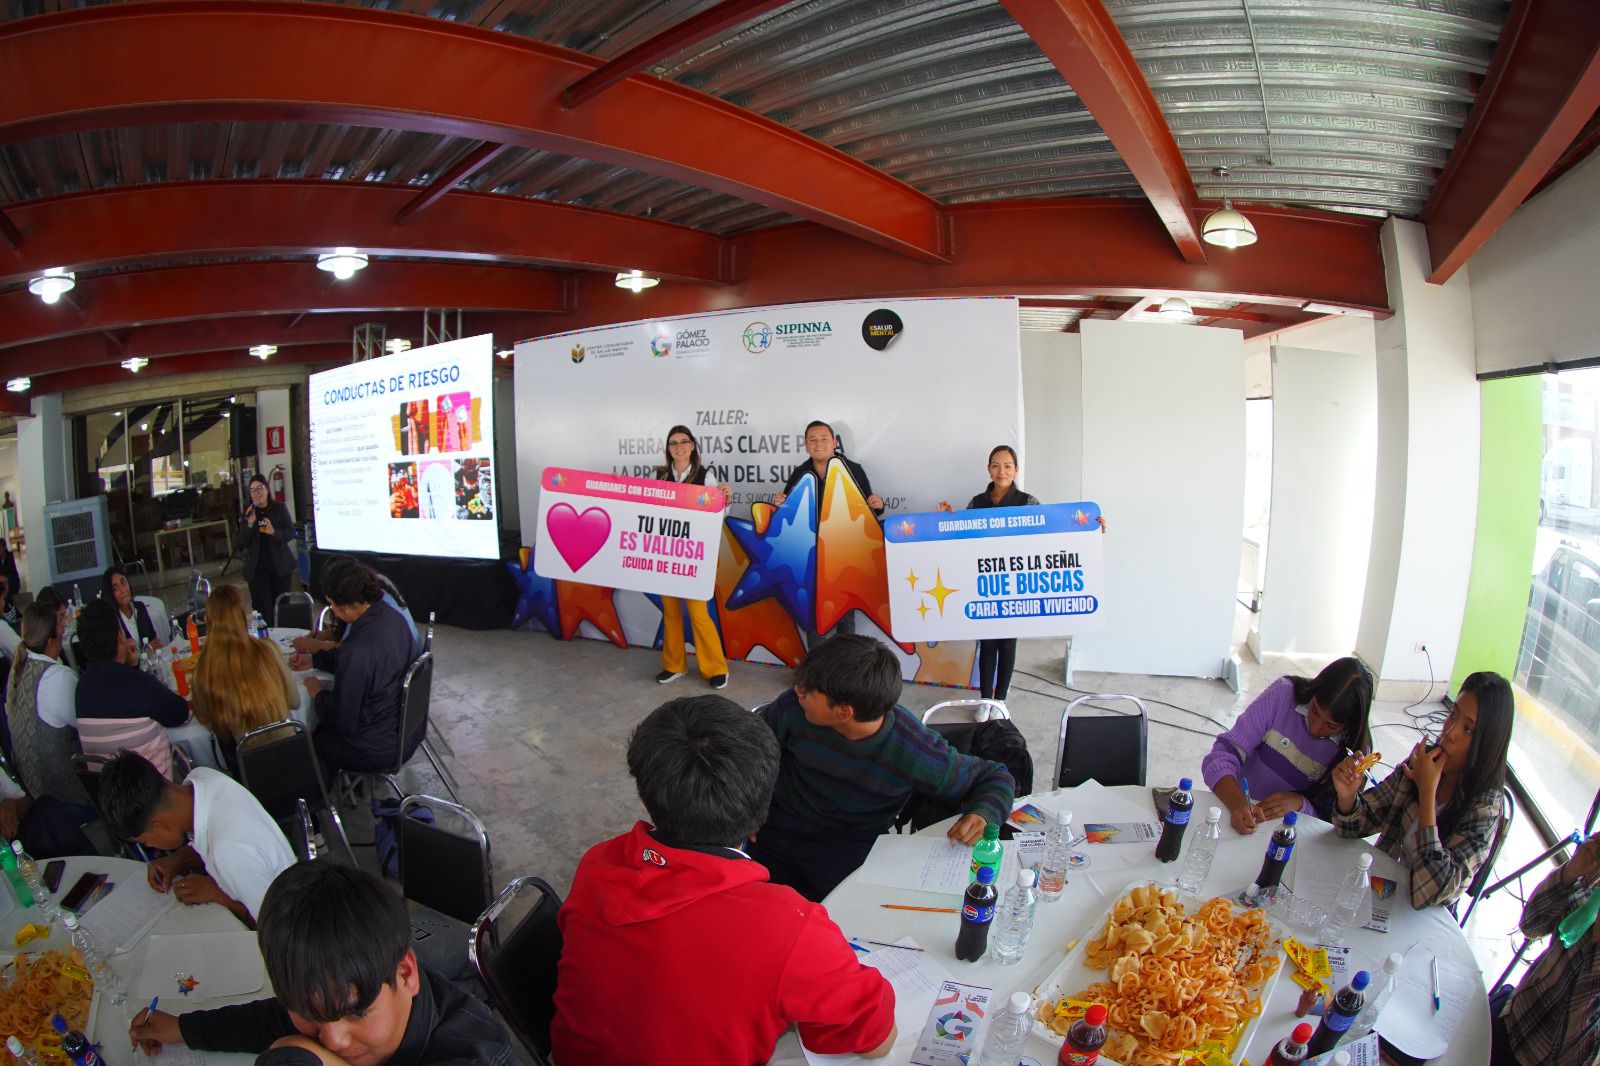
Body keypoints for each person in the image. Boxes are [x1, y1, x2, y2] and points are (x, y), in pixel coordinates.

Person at [552, 694, 896, 1064]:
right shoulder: (789, 926)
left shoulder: (599, 863)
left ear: (645, 798)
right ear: (762, 809)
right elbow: (876, 1040)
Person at [129, 862, 515, 1066]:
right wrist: (183, 1028)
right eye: (309, 1015)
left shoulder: (477, 1053)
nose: (333, 1040)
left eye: (357, 1013)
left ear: (406, 973)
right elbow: (268, 1019)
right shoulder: (336, 997)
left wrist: (303, 1055)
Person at [749, 633, 1016, 901]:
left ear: (844, 712)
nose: (798, 691)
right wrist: (749, 810)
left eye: (808, 691)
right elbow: (748, 751)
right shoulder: (791, 708)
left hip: (847, 851)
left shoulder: (913, 749)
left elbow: (995, 776)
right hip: (774, 832)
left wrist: (984, 814)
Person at [1332, 670, 1514, 909]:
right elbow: (1355, 825)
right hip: (1383, 891)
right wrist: (1347, 796)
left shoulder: (1486, 808)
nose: (1450, 733)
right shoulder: (1422, 760)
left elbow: (1430, 892)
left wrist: (1427, 793)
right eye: (1452, 715)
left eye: (1468, 730)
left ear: (1487, 742)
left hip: (1426, 920)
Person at [98, 750, 294, 928]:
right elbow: (207, 838)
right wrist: (176, 861)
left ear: (160, 825)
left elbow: (273, 925)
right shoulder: (202, 778)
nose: (150, 846)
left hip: (289, 920)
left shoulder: (227, 852)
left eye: (146, 842)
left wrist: (218, 896)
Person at [1202, 656, 1374, 834]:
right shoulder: (1283, 694)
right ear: (1314, 691)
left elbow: (1336, 825)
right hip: (1235, 807)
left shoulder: (1356, 752)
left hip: (1294, 833)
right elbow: (1220, 756)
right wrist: (1238, 803)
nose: (1315, 728)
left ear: (1349, 725)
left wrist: (1301, 804)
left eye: (1331, 726)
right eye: (1314, 710)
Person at [290, 564, 415, 775]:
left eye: (332, 606)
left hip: (374, 746)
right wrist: (315, 659)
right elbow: (362, 662)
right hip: (405, 728)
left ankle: (326, 799)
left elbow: (343, 722)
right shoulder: (390, 616)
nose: (335, 613)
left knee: (306, 739)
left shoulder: (357, 648)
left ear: (346, 607)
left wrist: (318, 693)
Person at [1489, 831, 1599, 1066]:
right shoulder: (1595, 871)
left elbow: (1574, 1048)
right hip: (1516, 1013)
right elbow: (1530, 925)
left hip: (1540, 1058)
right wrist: (1570, 872)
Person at [653, 425, 731, 690]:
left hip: (696, 556)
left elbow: (718, 515)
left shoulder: (705, 476)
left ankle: (716, 668)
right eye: (673, 443)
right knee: (671, 612)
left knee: (699, 613)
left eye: (684, 442)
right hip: (666, 554)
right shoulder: (660, 476)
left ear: (693, 445)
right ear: (668, 449)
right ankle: (674, 665)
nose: (679, 447)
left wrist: (725, 501)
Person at [73, 599, 189, 775]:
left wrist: (131, 666)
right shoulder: (140, 685)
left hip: (111, 794)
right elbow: (180, 712)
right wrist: (134, 671)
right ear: (120, 637)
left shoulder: (81, 689)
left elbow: (118, 697)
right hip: (156, 791)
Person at [191, 584, 300, 771]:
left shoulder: (205, 669)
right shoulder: (267, 650)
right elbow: (295, 702)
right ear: (244, 617)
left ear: (208, 621)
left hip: (249, 772)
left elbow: (206, 718)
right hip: (293, 761)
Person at [4, 601, 88, 807]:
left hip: (35, 792)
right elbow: (93, 725)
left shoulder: (17, 670)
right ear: (51, 642)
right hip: (67, 799)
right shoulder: (57, 678)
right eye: (60, 630)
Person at [292, 557, 420, 657]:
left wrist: (311, 645)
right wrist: (326, 635)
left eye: (332, 603)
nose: (334, 611)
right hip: (407, 652)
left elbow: (348, 652)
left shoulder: (363, 606)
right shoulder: (372, 586)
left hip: (397, 668)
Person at [774, 419, 885, 518]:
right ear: (806, 446)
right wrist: (781, 505)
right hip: (808, 537)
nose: (819, 444)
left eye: (824, 439)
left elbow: (871, 512)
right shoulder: (799, 473)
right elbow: (788, 513)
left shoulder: (854, 469)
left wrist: (877, 505)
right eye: (813, 440)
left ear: (834, 443)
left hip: (846, 536)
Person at [240, 474, 296, 624]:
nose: (257, 493)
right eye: (253, 490)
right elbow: (240, 542)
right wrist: (249, 524)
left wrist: (273, 532)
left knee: (282, 607)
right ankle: (266, 643)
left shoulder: (279, 508)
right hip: (257, 570)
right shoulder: (248, 513)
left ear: (267, 489)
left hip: (280, 567)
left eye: (260, 488)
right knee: (263, 609)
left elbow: (290, 532)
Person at [103, 563, 159, 649]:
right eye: (115, 588)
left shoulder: (139, 607)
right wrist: (146, 652)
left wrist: (150, 650)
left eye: (123, 583)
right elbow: (120, 657)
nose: (123, 591)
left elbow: (154, 641)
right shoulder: (112, 619)